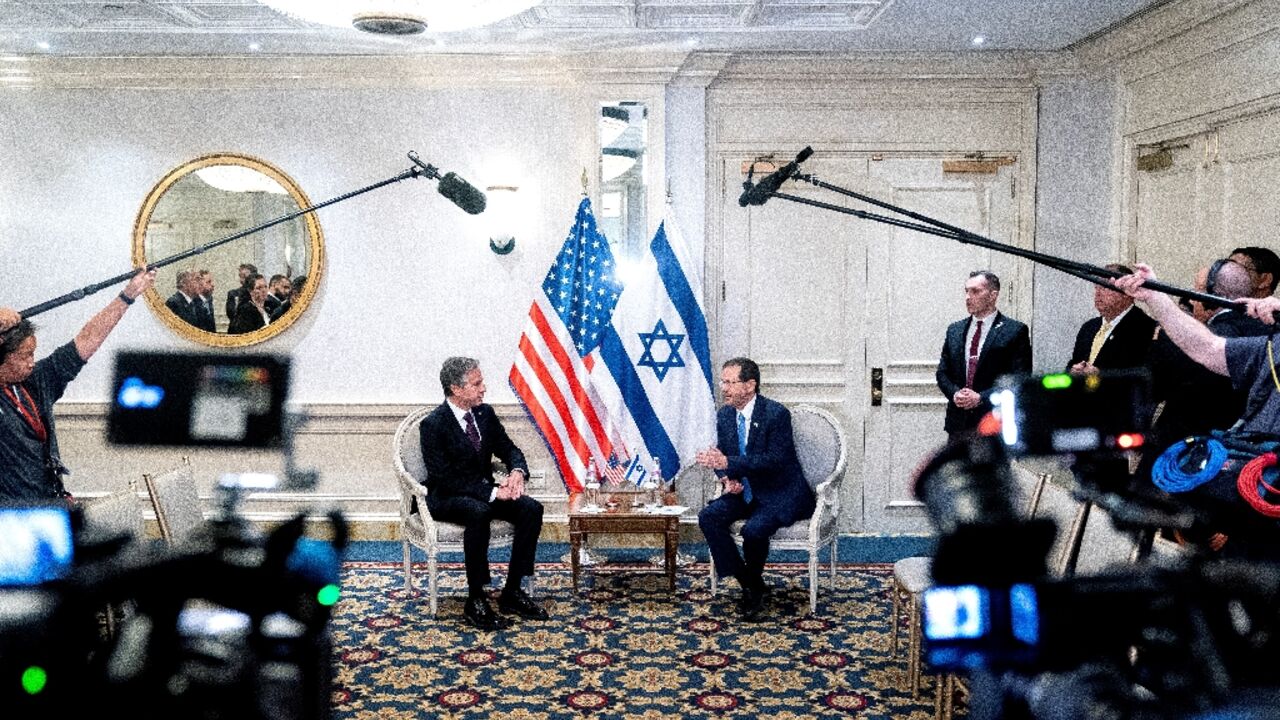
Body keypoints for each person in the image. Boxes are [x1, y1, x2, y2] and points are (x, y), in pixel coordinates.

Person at [0, 269, 156, 501]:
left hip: (50, 503)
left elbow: (86, 340)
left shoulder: (36, 381)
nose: (32, 363)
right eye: (25, 356)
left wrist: (128, 295)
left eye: (34, 354)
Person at [419, 357, 547, 629]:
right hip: (446, 497)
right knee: (479, 511)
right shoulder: (433, 425)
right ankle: (476, 598)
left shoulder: (484, 414)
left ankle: (512, 590)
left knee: (531, 509)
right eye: (477, 384)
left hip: (483, 492)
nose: (483, 388)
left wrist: (517, 472)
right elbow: (444, 477)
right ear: (456, 388)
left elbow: (510, 449)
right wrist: (491, 492)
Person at [696, 357, 815, 621]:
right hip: (742, 489)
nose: (724, 388)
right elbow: (722, 456)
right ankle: (750, 583)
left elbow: (775, 460)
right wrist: (726, 477)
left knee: (754, 530)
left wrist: (729, 463)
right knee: (708, 517)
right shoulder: (725, 415)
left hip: (777, 491)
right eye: (723, 382)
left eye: (730, 382)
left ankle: (752, 588)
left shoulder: (776, 415)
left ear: (750, 385)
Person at [1143, 259, 1269, 475]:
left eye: (1198, 290)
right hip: (1233, 455)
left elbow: (1157, 383)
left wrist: (1162, 339)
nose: (1192, 299)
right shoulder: (1263, 332)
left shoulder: (1223, 334)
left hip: (1186, 452)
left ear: (1214, 296)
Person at [935, 270, 1032, 440]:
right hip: (958, 422)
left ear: (993, 295)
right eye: (966, 291)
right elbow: (942, 372)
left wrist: (981, 397)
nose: (968, 297)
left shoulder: (1014, 331)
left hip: (993, 420)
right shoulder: (955, 330)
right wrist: (955, 394)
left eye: (975, 291)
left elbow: (1019, 378)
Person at [1066, 263, 1156, 374]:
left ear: (1127, 293)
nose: (1098, 293)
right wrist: (1072, 371)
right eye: (1097, 287)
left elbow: (1143, 374)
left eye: (1105, 287)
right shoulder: (1088, 327)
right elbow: (1074, 362)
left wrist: (1101, 376)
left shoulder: (1145, 328)